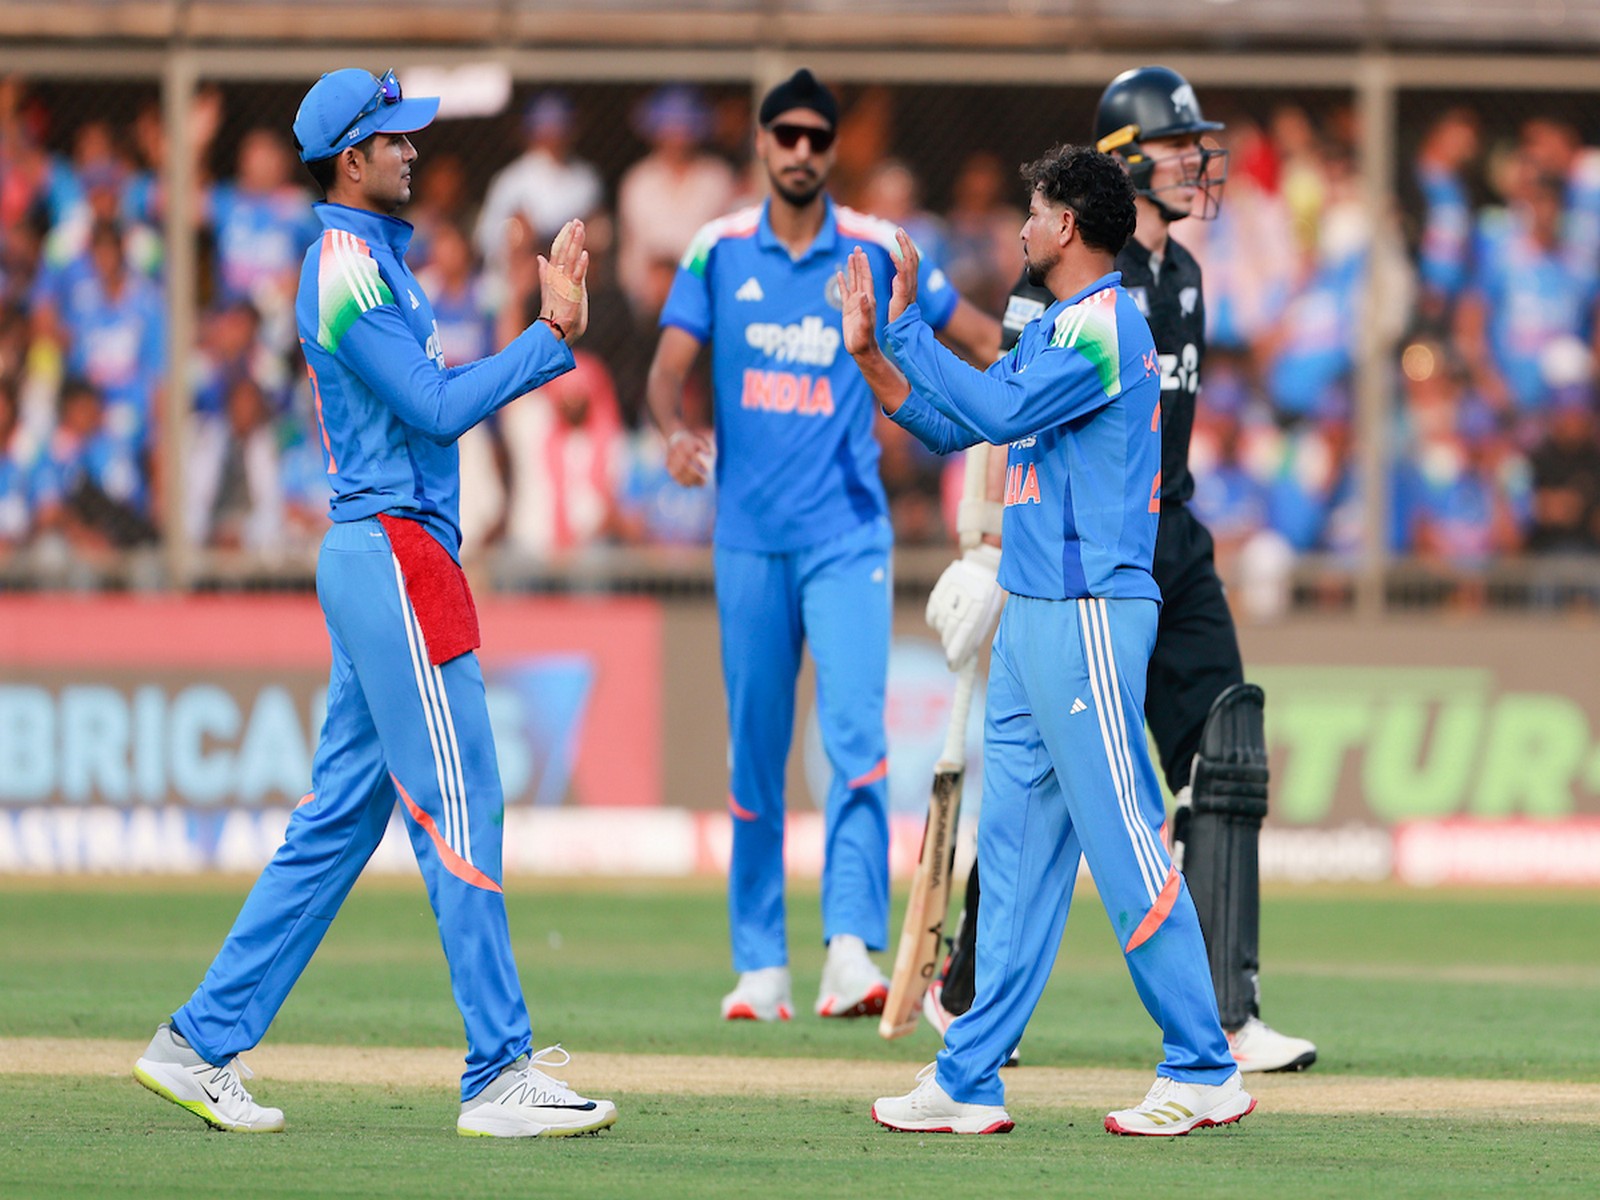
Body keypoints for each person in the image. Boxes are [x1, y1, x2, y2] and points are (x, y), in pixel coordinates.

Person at [131, 66, 617, 1139]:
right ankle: (497, 1074)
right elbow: (435, 409)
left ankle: (198, 1042)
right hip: (395, 553)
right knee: (461, 797)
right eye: (394, 137)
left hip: (391, 554)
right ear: (350, 157)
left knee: (341, 821)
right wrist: (548, 340)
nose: (412, 150)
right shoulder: (346, 267)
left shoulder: (371, 263)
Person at [849, 143, 1254, 1136]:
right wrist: (875, 351)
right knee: (1017, 856)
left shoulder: (1112, 325)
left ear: (1066, 226)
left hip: (1088, 616)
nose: (1020, 231)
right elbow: (957, 429)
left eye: (1031, 215)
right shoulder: (1053, 329)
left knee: (1122, 844)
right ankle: (968, 1076)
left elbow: (992, 405)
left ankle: (1204, 1065)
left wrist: (910, 325)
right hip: (1031, 618)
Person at [925, 66, 1318, 1074]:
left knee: (1225, 755)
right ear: (1124, 163)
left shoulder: (1182, 274)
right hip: (1073, 556)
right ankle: (967, 995)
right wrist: (984, 545)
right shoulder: (1057, 286)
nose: (1195, 160)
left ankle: (1228, 1013)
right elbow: (1001, 415)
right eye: (1177, 144)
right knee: (1045, 778)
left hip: (1168, 538)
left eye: (1196, 144)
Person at [645, 68, 997, 1024]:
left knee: (855, 742)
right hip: (748, 541)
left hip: (848, 535)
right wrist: (674, 432)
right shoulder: (717, 250)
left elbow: (981, 335)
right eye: (784, 134)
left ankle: (850, 949)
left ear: (834, 149)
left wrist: (1045, 366)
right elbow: (666, 370)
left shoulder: (881, 248)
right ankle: (761, 965)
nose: (800, 150)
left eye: (816, 136)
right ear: (761, 143)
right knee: (756, 756)